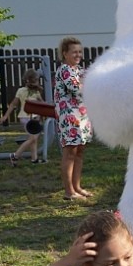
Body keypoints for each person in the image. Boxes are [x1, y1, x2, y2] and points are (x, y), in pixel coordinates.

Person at [54, 37, 93, 200]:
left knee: (80, 151)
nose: (78, 55)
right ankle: (69, 191)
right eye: (74, 52)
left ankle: (77, 186)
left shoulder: (80, 70)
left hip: (82, 115)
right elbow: (77, 89)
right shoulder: (65, 70)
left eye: (79, 51)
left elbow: (92, 82)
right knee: (70, 151)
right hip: (69, 115)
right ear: (65, 54)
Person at [0, 68, 46, 165]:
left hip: (35, 118)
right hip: (25, 118)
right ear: (28, 80)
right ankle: (15, 156)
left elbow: (42, 104)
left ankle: (34, 159)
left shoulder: (36, 92)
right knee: (32, 139)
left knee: (33, 139)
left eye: (37, 80)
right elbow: (13, 104)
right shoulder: (21, 91)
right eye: (34, 80)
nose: (36, 82)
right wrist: (5, 116)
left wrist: (44, 110)